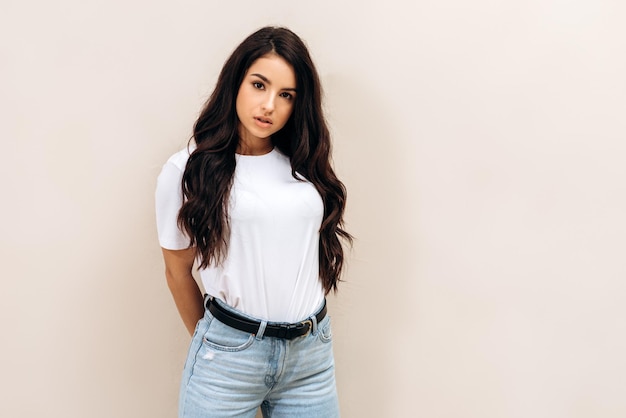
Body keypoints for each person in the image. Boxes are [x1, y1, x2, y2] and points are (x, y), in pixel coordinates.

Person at [155, 26, 352, 417]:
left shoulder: (304, 163)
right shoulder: (186, 170)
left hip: (309, 358)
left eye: (286, 95)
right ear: (236, 82)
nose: (269, 106)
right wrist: (216, 343)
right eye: (259, 85)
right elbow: (177, 270)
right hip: (228, 360)